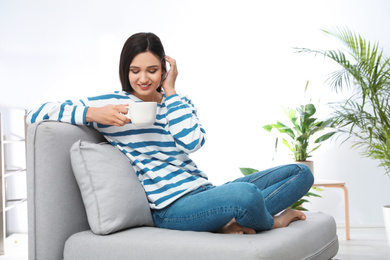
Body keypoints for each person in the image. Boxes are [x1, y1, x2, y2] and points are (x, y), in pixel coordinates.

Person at [27, 32, 314, 234]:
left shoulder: (178, 103)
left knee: (302, 173)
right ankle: (272, 222)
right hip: (170, 208)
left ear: (164, 70)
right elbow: (36, 113)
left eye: (152, 70)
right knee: (245, 195)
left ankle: (229, 222)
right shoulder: (111, 103)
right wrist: (92, 113)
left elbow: (192, 141)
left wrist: (172, 92)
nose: (143, 78)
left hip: (204, 193)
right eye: (135, 70)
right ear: (125, 71)